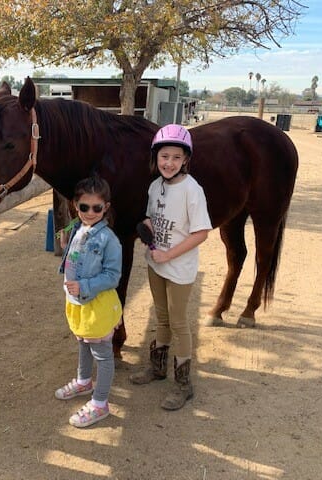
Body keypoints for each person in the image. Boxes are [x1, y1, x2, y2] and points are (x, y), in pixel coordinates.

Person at [129, 124, 212, 411]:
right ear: (157, 157)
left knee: (178, 323)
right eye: (165, 156)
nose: (169, 163)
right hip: (156, 265)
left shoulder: (192, 190)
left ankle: (183, 384)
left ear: (186, 160)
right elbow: (153, 217)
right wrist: (148, 227)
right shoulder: (155, 186)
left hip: (179, 269)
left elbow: (201, 232)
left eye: (176, 157)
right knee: (162, 319)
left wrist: (170, 255)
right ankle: (158, 367)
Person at [55, 176, 123, 428]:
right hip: (77, 302)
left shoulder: (109, 240)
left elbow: (112, 276)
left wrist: (84, 286)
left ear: (105, 207)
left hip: (96, 304)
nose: (90, 213)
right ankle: (84, 381)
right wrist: (65, 245)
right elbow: (76, 258)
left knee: (102, 354)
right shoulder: (77, 228)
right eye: (84, 207)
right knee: (83, 341)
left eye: (97, 208)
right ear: (75, 205)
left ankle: (100, 403)